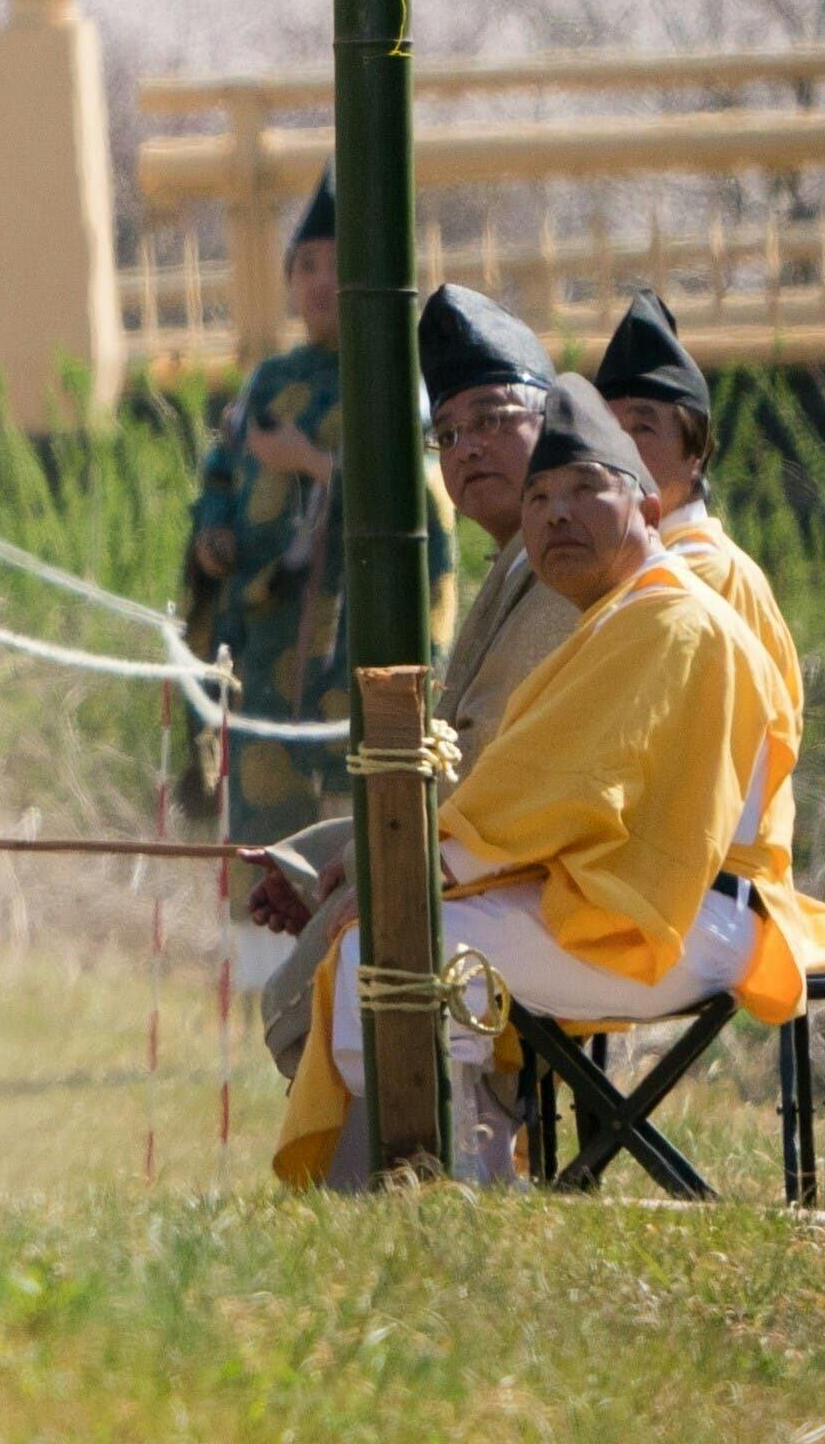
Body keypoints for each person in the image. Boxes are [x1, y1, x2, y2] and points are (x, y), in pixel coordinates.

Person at [274, 377, 825, 1186]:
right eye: (541, 496)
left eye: (586, 488)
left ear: (649, 511)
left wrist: (416, 876)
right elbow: (542, 795)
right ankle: (437, 1184)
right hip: (643, 903)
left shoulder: (666, 618)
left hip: (682, 918)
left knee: (398, 952)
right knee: (398, 946)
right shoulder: (624, 614)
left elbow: (558, 793)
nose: (555, 514)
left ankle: (444, 1191)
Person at [251, 282, 577, 1070]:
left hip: (541, 876)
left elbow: (488, 766)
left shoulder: (565, 568)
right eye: (449, 431)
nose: (466, 448)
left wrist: (371, 870)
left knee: (354, 945)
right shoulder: (516, 562)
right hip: (487, 853)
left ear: (554, 425)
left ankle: (435, 1162)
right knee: (319, 893)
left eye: (494, 420)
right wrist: (328, 860)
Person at [183, 176, 455, 865]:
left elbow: (417, 493)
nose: (318, 281)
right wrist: (214, 533)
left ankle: (344, 955)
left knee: (349, 807)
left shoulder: (392, 380)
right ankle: (263, 965)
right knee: (260, 800)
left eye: (335, 265)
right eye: (304, 266)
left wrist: (310, 462)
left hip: (354, 629)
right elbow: (221, 470)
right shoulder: (267, 379)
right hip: (263, 623)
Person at [593, 289, 803, 719]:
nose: (620, 452)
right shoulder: (630, 565)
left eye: (642, 429)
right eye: (607, 432)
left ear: (697, 452)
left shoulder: (707, 572)